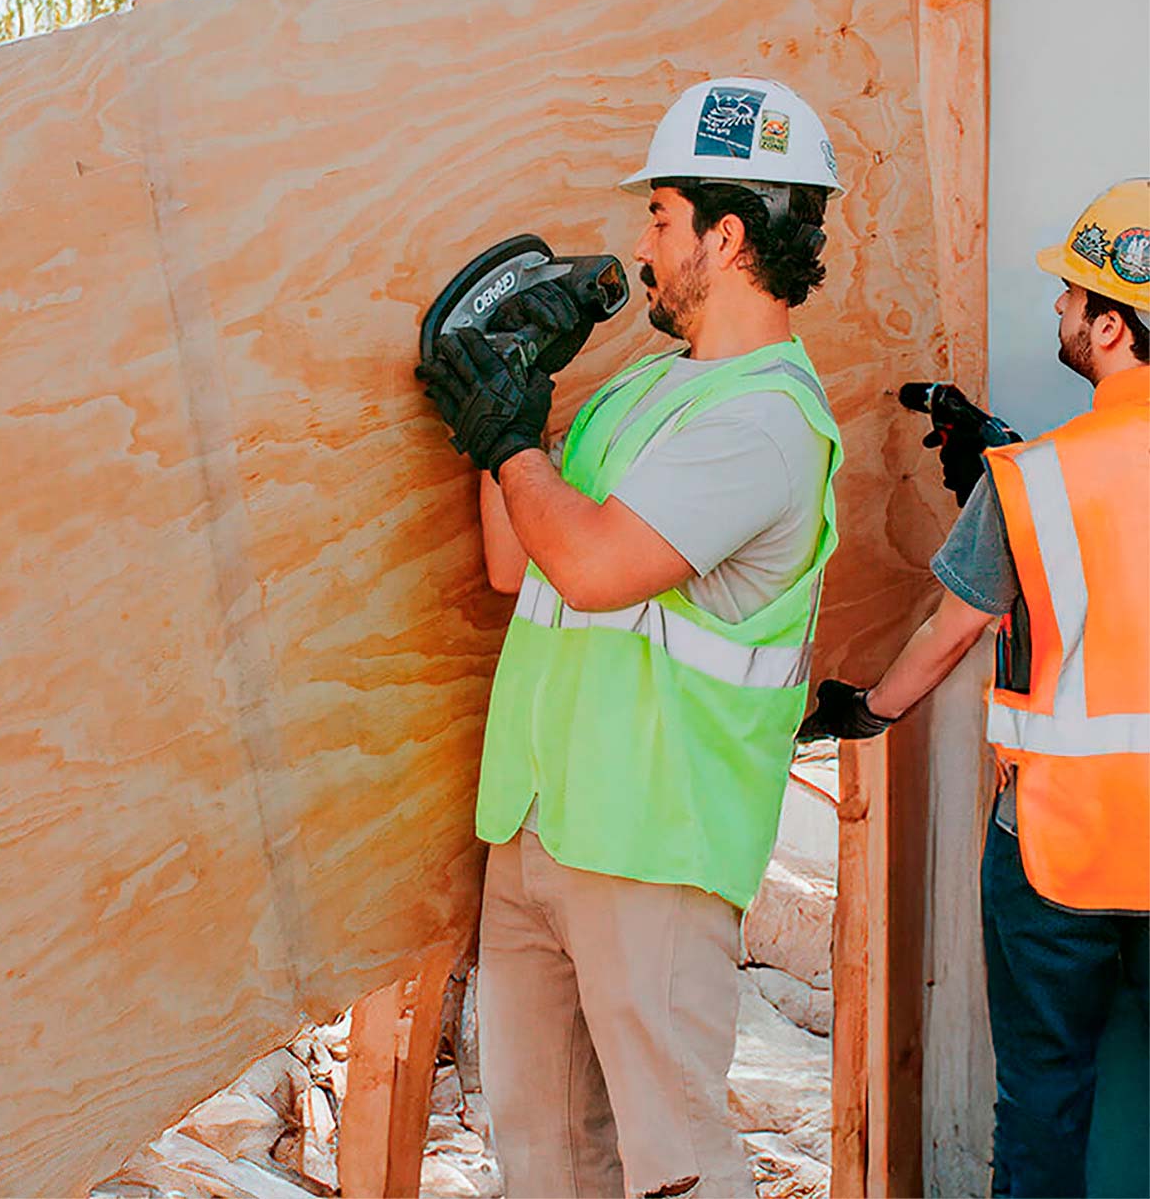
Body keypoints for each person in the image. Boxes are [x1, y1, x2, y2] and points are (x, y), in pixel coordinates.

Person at [416, 77, 845, 1198]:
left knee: (677, 1172)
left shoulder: (768, 423)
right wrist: (519, 400)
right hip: (542, 825)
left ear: (728, 234)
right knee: (548, 1162)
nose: (643, 246)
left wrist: (513, 438)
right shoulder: (641, 391)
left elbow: (599, 567)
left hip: (653, 848)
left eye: (659, 218)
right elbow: (524, 561)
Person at [801, 179, 1150, 1199]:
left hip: (1056, 853)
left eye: (1072, 296)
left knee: (1044, 1101)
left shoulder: (1035, 482)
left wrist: (865, 709)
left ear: (1114, 327)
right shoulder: (1024, 474)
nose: (1057, 309)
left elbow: (953, 629)